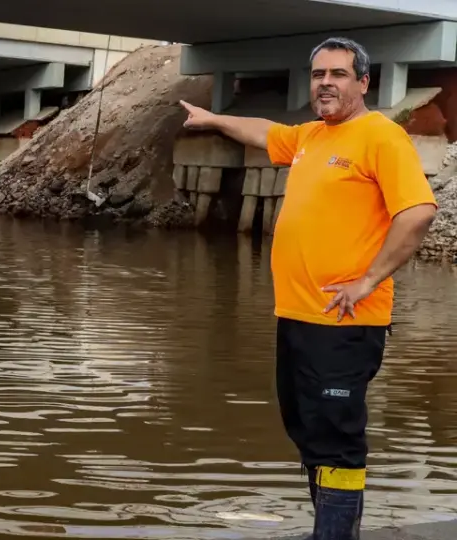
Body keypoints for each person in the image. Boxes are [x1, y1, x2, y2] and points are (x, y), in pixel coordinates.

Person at [180, 37, 437, 539]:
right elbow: (265, 131)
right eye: (318, 74)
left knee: (337, 438)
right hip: (297, 317)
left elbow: (419, 211)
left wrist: (368, 280)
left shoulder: (380, 137)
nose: (325, 83)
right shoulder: (311, 137)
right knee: (308, 430)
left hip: (343, 323)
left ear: (363, 82)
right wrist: (211, 120)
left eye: (338, 74)